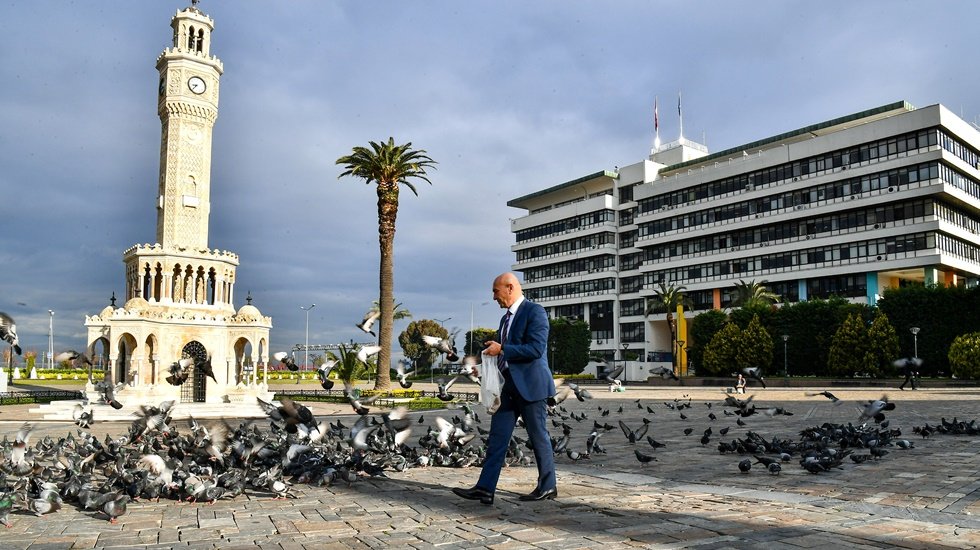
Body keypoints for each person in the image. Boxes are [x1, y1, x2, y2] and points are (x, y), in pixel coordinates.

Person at [452, 272, 557, 505]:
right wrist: (486, 367)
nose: (493, 297)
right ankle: (485, 488)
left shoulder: (535, 311)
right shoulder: (504, 319)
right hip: (507, 386)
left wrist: (502, 349)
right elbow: (504, 353)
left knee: (538, 437)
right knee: (497, 438)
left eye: (495, 291)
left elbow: (536, 349)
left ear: (510, 288)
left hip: (532, 387)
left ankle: (548, 486)